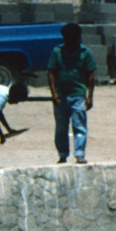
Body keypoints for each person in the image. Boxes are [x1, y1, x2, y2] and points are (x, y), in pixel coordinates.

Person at [47, 23, 97, 165]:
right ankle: (62, 154)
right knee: (61, 127)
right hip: (61, 96)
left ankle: (79, 154)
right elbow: (51, 73)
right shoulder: (57, 52)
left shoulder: (86, 53)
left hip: (78, 94)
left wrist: (89, 96)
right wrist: (54, 93)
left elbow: (91, 75)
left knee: (79, 125)